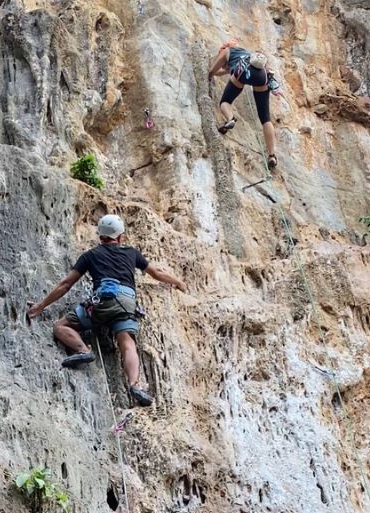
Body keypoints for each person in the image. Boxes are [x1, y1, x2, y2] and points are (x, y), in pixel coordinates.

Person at [28, 214, 187, 407]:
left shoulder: (90, 255)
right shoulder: (131, 253)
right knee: (128, 344)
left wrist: (41, 305)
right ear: (120, 237)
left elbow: (66, 284)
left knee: (61, 326)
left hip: (103, 302)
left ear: (100, 237)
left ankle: (83, 350)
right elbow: (157, 273)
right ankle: (134, 385)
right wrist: (178, 282)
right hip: (127, 303)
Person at [208, 39, 281, 171]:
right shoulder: (246, 55)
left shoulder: (227, 51)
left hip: (240, 74)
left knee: (225, 102)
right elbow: (225, 71)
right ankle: (272, 155)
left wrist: (208, 74)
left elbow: (213, 71)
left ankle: (230, 119)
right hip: (261, 76)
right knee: (265, 118)